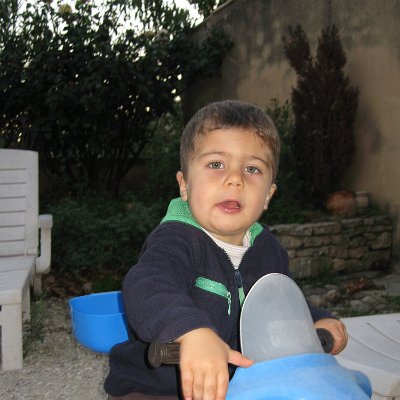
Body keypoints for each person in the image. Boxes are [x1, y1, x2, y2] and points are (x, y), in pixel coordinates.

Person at [104, 100, 348, 400]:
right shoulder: (176, 239)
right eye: (216, 164)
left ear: (268, 195)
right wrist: (193, 333)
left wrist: (315, 321)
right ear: (184, 184)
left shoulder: (269, 250)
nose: (235, 179)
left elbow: (280, 304)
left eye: (252, 169)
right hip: (156, 387)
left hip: (239, 385)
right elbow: (148, 285)